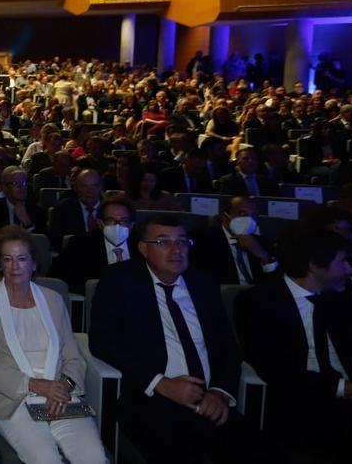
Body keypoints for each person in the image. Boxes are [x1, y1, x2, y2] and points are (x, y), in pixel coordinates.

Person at [89, 215, 272, 464]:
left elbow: (227, 347)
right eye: (163, 241)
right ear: (143, 248)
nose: (176, 249)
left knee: (261, 452)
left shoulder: (203, 283)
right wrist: (161, 383)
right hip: (152, 402)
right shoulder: (120, 281)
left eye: (183, 241)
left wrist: (219, 393)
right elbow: (103, 342)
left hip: (209, 400)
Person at [235, 228, 352, 462]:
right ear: (314, 266)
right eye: (342, 262)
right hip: (299, 401)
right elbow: (276, 369)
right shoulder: (257, 302)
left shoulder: (340, 297)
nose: (350, 270)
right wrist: (350, 388)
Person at [0, 227, 108, 464]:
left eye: (22, 259)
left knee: (93, 458)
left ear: (34, 264)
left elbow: (73, 357)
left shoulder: (53, 299)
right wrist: (36, 385)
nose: (15, 266)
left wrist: (63, 387)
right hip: (13, 399)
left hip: (62, 394)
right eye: (8, 259)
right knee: (46, 460)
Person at [50, 197, 135, 294]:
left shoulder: (143, 247)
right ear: (100, 223)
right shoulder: (80, 244)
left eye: (123, 221)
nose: (117, 226)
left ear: (131, 225)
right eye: (110, 220)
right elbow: (57, 277)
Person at [188, 197, 279, 286]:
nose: (249, 219)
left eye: (253, 215)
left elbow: (276, 282)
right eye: (242, 213)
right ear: (225, 217)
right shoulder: (203, 239)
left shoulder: (262, 243)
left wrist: (263, 256)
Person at [46, 168, 102, 252]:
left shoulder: (113, 210)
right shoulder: (63, 210)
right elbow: (56, 243)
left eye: (95, 186)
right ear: (75, 188)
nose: (90, 191)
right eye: (84, 186)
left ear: (101, 187)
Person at [0, 166, 39, 233]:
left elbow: (41, 242)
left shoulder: (37, 211)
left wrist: (27, 222)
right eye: (15, 183)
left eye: (23, 183)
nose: (21, 187)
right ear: (5, 187)